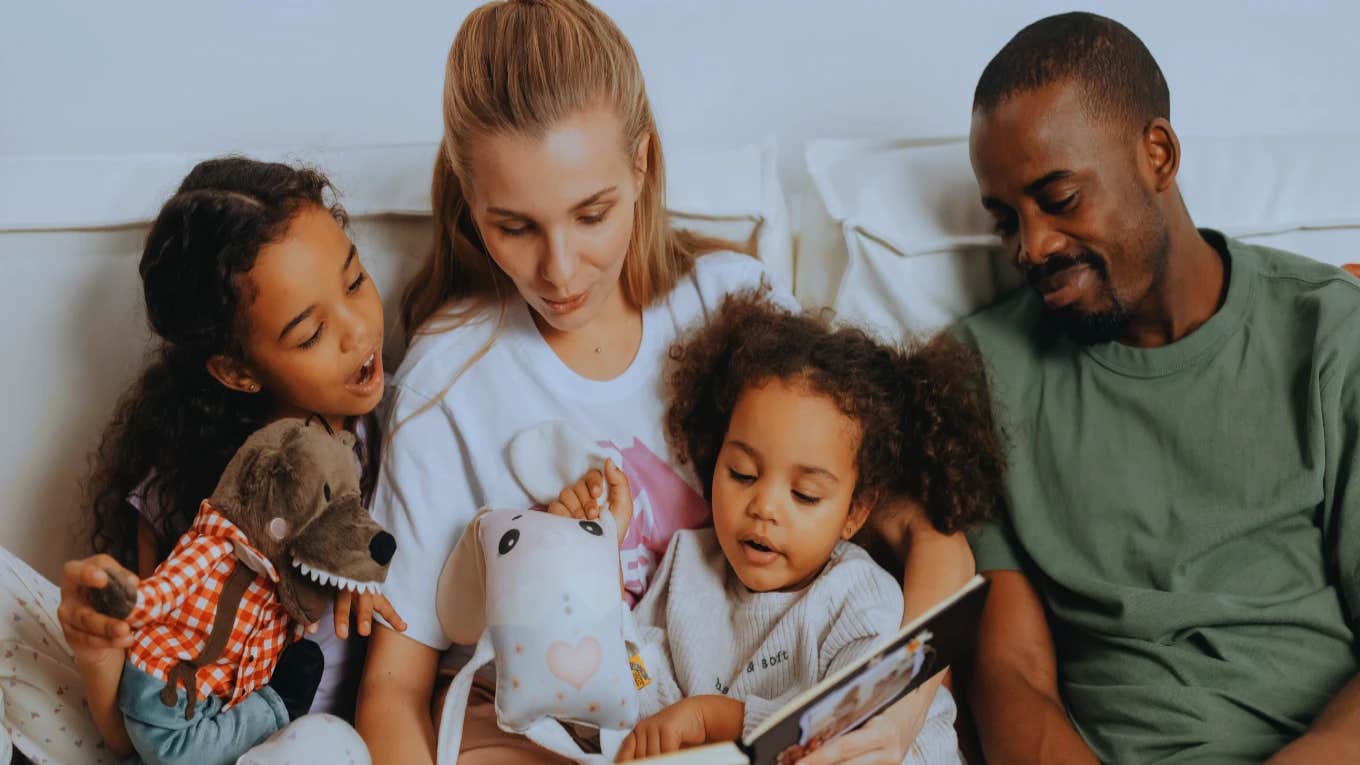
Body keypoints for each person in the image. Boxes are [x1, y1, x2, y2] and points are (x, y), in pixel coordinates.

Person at [352, 2, 795, 762]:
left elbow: (909, 526)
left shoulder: (729, 304)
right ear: (470, 197)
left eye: (592, 215)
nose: (558, 272)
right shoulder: (448, 380)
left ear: (642, 165)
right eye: (514, 227)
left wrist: (901, 697)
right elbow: (393, 688)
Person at [958, 12, 1360, 764]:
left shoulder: (1332, 335)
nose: (1033, 245)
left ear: (1158, 154)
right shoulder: (983, 374)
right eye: (1006, 221)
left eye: (1060, 197)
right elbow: (1007, 675)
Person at [1, 156, 403, 763]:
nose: (356, 331)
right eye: (310, 333)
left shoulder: (399, 430)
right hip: (199, 743)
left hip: (321, 747)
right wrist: (98, 646)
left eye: (354, 281)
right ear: (238, 371)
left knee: (322, 745)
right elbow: (134, 730)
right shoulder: (180, 489)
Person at [550, 293, 1002, 763]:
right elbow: (639, 684)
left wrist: (712, 718)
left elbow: (845, 725)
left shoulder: (859, 596)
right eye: (742, 473)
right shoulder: (687, 565)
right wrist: (595, 574)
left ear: (855, 512)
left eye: (805, 495)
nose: (763, 506)